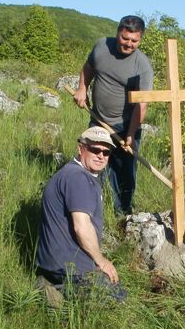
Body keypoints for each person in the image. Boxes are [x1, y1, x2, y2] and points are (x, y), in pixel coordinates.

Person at [35, 126, 126, 305]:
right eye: (95, 149)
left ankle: (53, 284)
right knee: (118, 302)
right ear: (80, 148)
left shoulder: (72, 173)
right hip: (68, 267)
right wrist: (101, 261)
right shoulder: (78, 178)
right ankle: (54, 288)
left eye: (106, 152)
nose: (101, 156)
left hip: (58, 262)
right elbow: (81, 227)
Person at [73, 15, 154, 215]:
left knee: (124, 172)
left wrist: (131, 133)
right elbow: (88, 67)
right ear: (118, 32)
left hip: (126, 125)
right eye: (125, 38)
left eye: (134, 41)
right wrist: (82, 88)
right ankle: (92, 208)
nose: (129, 44)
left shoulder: (142, 66)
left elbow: (142, 104)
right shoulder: (102, 46)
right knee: (94, 166)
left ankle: (122, 214)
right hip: (98, 121)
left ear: (140, 39)